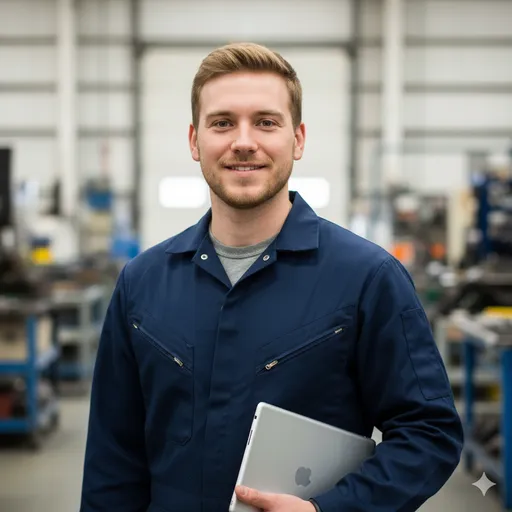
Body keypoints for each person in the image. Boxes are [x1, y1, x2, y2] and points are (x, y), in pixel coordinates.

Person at [80, 42, 463, 512]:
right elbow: (112, 458)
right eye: (222, 123)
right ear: (194, 141)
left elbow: (429, 433)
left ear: (298, 139)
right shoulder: (142, 283)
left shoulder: (368, 279)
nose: (244, 141)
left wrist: (332, 509)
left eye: (266, 122)